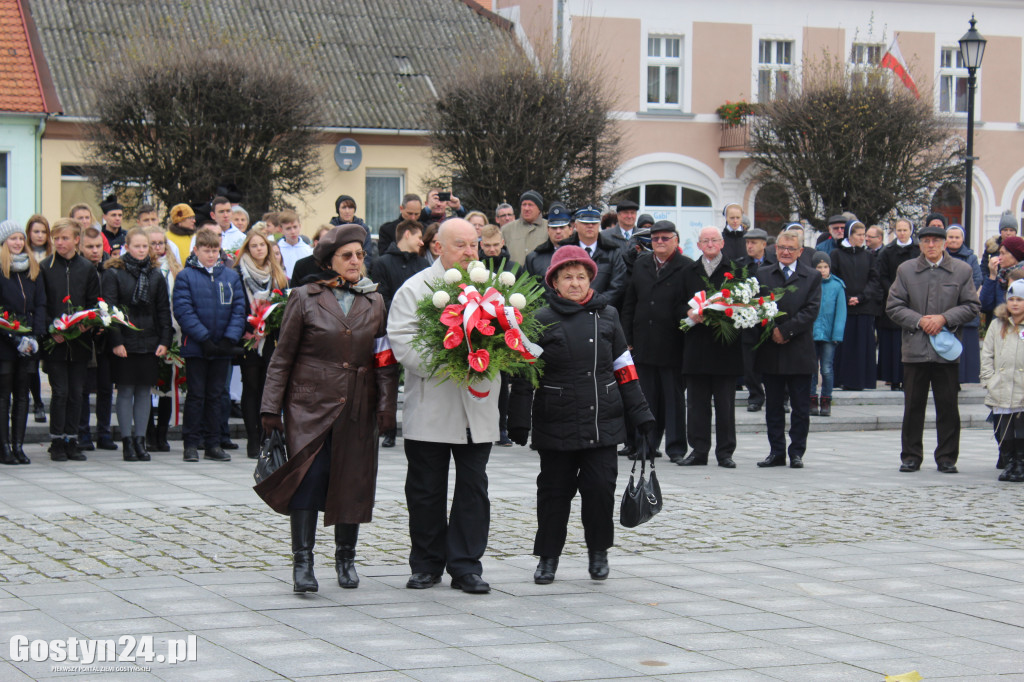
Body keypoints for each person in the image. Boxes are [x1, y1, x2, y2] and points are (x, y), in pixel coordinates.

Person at [257, 224, 399, 592]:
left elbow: (383, 359)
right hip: (309, 405)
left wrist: (386, 407)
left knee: (352, 480)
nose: (355, 261)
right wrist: (271, 407)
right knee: (307, 480)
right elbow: (282, 356)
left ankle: (346, 559)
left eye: (360, 256)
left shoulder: (375, 301)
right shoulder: (305, 297)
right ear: (330, 261)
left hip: (357, 405)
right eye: (347, 256)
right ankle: (302, 563)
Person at [508, 245, 654, 584]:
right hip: (556, 420)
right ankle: (548, 557)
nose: (575, 283)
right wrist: (518, 420)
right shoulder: (540, 318)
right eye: (567, 277)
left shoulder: (608, 315)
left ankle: (598, 551)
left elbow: (624, 367)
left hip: (602, 419)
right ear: (554, 282)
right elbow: (526, 373)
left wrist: (641, 413)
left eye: (581, 276)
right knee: (554, 494)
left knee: (600, 490)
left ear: (591, 278)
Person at [387, 218, 499, 594]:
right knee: (426, 490)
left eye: (474, 245)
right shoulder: (415, 289)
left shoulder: (492, 290)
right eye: (461, 245)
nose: (471, 252)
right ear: (438, 247)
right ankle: (427, 563)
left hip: (477, 406)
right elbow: (403, 343)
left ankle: (466, 566)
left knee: (473, 489)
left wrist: (493, 351)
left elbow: (512, 335)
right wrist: (454, 354)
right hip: (433, 404)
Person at [886, 222, 981, 474]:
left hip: (946, 351)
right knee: (913, 406)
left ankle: (947, 457)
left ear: (944, 244)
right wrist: (919, 320)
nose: (931, 245)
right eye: (926, 241)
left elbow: (972, 305)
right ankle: (911, 456)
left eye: (936, 241)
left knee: (948, 406)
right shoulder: (906, 270)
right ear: (920, 244)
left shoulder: (962, 270)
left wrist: (944, 318)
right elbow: (894, 306)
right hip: (914, 350)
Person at [172, 227, 246, 463]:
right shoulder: (186, 276)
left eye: (215, 250)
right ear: (196, 250)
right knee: (196, 396)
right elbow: (183, 310)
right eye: (206, 251)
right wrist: (203, 338)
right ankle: (191, 444)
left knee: (216, 395)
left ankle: (213, 443)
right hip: (197, 346)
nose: (211, 255)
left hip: (222, 346)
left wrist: (228, 339)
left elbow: (239, 309)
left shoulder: (230, 276)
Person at [620, 220, 690, 463]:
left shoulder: (686, 267)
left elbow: (691, 305)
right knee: (645, 398)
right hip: (643, 342)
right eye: (656, 238)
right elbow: (630, 303)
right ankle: (645, 445)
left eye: (665, 238)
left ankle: (677, 448)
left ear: (676, 241)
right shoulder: (641, 264)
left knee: (673, 400)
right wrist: (627, 338)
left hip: (672, 342)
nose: (660, 242)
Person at [102, 228, 172, 462]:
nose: (142, 250)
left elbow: (163, 309)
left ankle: (141, 441)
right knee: (125, 391)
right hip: (125, 339)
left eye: (145, 246)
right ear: (127, 247)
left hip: (149, 339)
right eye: (137, 246)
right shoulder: (114, 273)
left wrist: (164, 340)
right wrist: (116, 341)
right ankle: (127, 442)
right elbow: (110, 310)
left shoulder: (155, 274)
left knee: (144, 391)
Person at [754, 229, 822, 468]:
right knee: (773, 406)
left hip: (799, 350)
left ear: (800, 251)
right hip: (771, 349)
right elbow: (757, 306)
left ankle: (796, 452)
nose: (784, 252)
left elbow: (811, 311)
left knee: (800, 407)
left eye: (790, 249)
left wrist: (786, 330)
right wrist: (772, 329)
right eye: (781, 247)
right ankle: (776, 451)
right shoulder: (763, 274)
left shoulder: (811, 276)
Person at [679, 227, 743, 468]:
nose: (709, 244)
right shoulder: (689, 270)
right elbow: (677, 301)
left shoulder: (735, 271)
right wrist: (689, 312)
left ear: (722, 243)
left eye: (714, 240)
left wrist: (727, 313)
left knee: (725, 405)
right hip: (697, 347)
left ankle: (725, 452)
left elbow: (745, 303)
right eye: (705, 241)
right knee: (696, 404)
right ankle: (698, 450)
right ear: (698, 244)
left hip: (726, 347)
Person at [39, 219, 101, 461]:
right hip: (55, 341)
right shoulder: (46, 267)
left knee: (77, 391)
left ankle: (71, 438)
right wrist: (49, 328)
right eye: (56, 238)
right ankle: (56, 440)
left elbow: (94, 303)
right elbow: (41, 302)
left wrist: (87, 323)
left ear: (77, 240)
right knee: (60, 391)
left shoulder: (87, 268)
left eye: (64, 238)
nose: (59, 243)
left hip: (80, 342)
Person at [235, 229, 290, 459]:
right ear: (247, 249)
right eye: (254, 245)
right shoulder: (238, 274)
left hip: (271, 339)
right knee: (251, 387)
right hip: (249, 338)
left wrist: (271, 323)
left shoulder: (278, 274)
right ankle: (252, 438)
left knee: (270, 388)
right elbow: (237, 306)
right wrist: (247, 330)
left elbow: (285, 304)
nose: (259, 249)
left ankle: (268, 436)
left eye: (262, 245)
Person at [0, 221, 46, 465]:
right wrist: (13, 337)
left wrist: (35, 336)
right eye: (13, 239)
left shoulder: (33, 269)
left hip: (29, 343)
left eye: (20, 238)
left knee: (22, 396)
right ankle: (4, 446)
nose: (18, 243)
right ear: (4, 242)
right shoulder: (1, 269)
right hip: (5, 344)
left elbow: (41, 304)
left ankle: (18, 445)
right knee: (3, 397)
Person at [77, 227, 117, 452]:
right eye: (90, 247)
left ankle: (104, 431)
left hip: (106, 337)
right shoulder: (79, 269)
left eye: (98, 247)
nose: (95, 251)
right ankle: (83, 432)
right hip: (84, 335)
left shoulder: (109, 271)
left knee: (105, 387)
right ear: (81, 247)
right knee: (83, 388)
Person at [981, 279, 1024, 482]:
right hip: (1001, 385)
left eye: (1020, 300)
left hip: (1022, 386)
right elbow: (987, 353)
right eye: (1011, 299)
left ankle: (1021, 463)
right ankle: (1008, 463)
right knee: (1003, 429)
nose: (1015, 304)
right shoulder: (998, 324)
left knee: (1020, 429)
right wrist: (989, 379)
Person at [831, 220, 881, 390]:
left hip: (864, 306)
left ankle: (862, 380)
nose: (863, 239)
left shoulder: (868, 256)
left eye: (864, 235)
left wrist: (861, 297)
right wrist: (846, 297)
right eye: (859, 235)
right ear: (850, 236)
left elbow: (874, 279)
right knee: (844, 345)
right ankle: (842, 379)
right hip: (843, 307)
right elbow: (833, 277)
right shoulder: (836, 254)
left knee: (863, 345)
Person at [145, 227, 181, 452]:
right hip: (150, 331)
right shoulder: (146, 269)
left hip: (172, 330)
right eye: (153, 243)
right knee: (149, 383)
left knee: (168, 383)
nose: (158, 248)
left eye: (161, 243)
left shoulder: (175, 268)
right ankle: (149, 432)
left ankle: (162, 433)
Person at [876, 219, 919, 391]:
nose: (902, 233)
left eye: (905, 230)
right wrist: (894, 290)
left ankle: (908, 378)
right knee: (893, 343)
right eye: (899, 230)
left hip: (914, 300)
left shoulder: (917, 251)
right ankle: (893, 378)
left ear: (911, 231)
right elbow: (882, 275)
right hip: (892, 300)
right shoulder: (887, 252)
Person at [736, 228, 774, 412]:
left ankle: (780, 397)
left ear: (764, 244)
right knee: (749, 360)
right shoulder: (740, 265)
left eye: (753, 242)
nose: (749, 246)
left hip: (770, 319)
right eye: (747, 243)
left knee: (774, 358)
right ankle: (755, 396)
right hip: (748, 320)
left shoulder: (774, 262)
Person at [559, 206, 626, 308]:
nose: (590, 226)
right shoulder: (564, 250)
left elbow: (618, 284)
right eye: (585, 223)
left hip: (602, 310)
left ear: (599, 225)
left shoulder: (612, 251)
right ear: (576, 225)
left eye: (594, 223)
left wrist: (598, 302)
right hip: (569, 309)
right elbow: (557, 280)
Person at [945, 224, 983, 384]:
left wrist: (961, 295)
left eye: (957, 237)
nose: (954, 240)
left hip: (965, 306)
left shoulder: (971, 258)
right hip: (945, 306)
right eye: (951, 237)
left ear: (963, 239)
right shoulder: (940, 256)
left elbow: (977, 279)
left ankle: (964, 379)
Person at [810, 252, 846, 417]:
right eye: (819, 267)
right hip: (811, 333)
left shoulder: (837, 286)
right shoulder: (810, 284)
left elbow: (841, 312)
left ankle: (826, 400)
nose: (823, 270)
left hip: (829, 334)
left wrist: (837, 335)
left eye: (825, 267)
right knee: (811, 368)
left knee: (826, 368)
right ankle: (811, 400)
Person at [26, 215, 51, 424]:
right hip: (31, 315)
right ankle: (38, 402)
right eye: (36, 232)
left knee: (48, 364)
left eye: (43, 232)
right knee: (31, 364)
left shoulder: (52, 255)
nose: (40, 236)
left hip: (49, 314)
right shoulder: (24, 255)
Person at [524, 203, 573, 280]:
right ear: (548, 230)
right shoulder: (534, 258)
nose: (558, 231)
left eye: (562, 227)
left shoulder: (582, 254)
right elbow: (526, 287)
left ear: (571, 230)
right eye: (554, 228)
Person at [980, 235, 1024, 314]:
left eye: (1003, 253)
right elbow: (985, 306)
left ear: (1015, 255)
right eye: (999, 253)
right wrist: (992, 275)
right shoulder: (1001, 276)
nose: (999, 257)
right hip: (1000, 323)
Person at [501, 190, 547, 264]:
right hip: (513, 275)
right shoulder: (507, 229)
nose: (526, 208)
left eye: (530, 205)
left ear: (539, 209)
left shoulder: (549, 228)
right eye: (524, 204)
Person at [328, 195, 374, 269]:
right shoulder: (331, 228)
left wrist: (362, 271)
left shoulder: (363, 228)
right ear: (338, 210)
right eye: (344, 207)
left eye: (350, 207)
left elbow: (367, 253)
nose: (347, 211)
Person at [276, 210, 314, 279]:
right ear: (281, 230)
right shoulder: (277, 250)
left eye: (295, 227)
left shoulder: (308, 250)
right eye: (288, 228)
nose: (293, 232)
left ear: (299, 226)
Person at [982, 210, 1018, 274]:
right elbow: (983, 268)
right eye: (1005, 230)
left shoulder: (1020, 249)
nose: (1008, 233)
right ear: (1000, 231)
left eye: (1011, 230)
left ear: (1015, 232)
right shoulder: (991, 248)